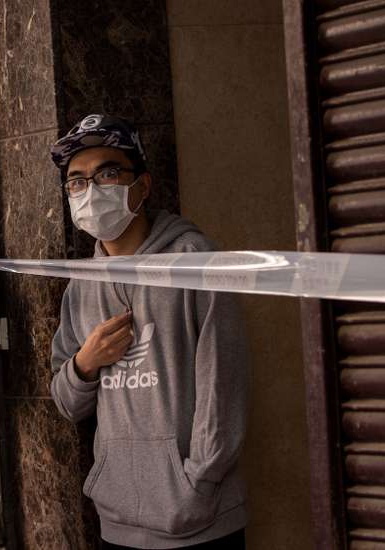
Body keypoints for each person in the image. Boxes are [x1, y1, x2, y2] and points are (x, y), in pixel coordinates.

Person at [49, 114, 248, 549]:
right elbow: (65, 402)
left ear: (142, 185)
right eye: (76, 181)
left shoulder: (195, 260)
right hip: (118, 522)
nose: (90, 190)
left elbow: (223, 382)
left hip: (202, 521)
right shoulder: (80, 284)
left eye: (107, 173)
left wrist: (199, 481)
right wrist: (85, 363)